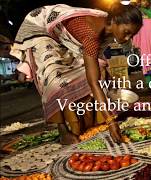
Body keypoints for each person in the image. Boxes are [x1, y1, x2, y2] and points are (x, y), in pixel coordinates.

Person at [11, 4, 142, 144]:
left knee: (99, 70)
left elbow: (96, 69)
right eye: (127, 32)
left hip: (61, 34)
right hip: (40, 27)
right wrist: (111, 121)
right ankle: (63, 131)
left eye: (132, 35)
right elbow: (94, 82)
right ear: (115, 21)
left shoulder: (107, 31)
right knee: (54, 78)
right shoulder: (91, 33)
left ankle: (90, 120)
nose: (128, 38)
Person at [132, 0, 151, 84]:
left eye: (146, 1)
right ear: (139, 2)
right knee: (146, 58)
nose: (144, 3)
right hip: (143, 37)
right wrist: (136, 39)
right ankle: (149, 83)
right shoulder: (137, 12)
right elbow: (135, 25)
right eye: (143, 1)